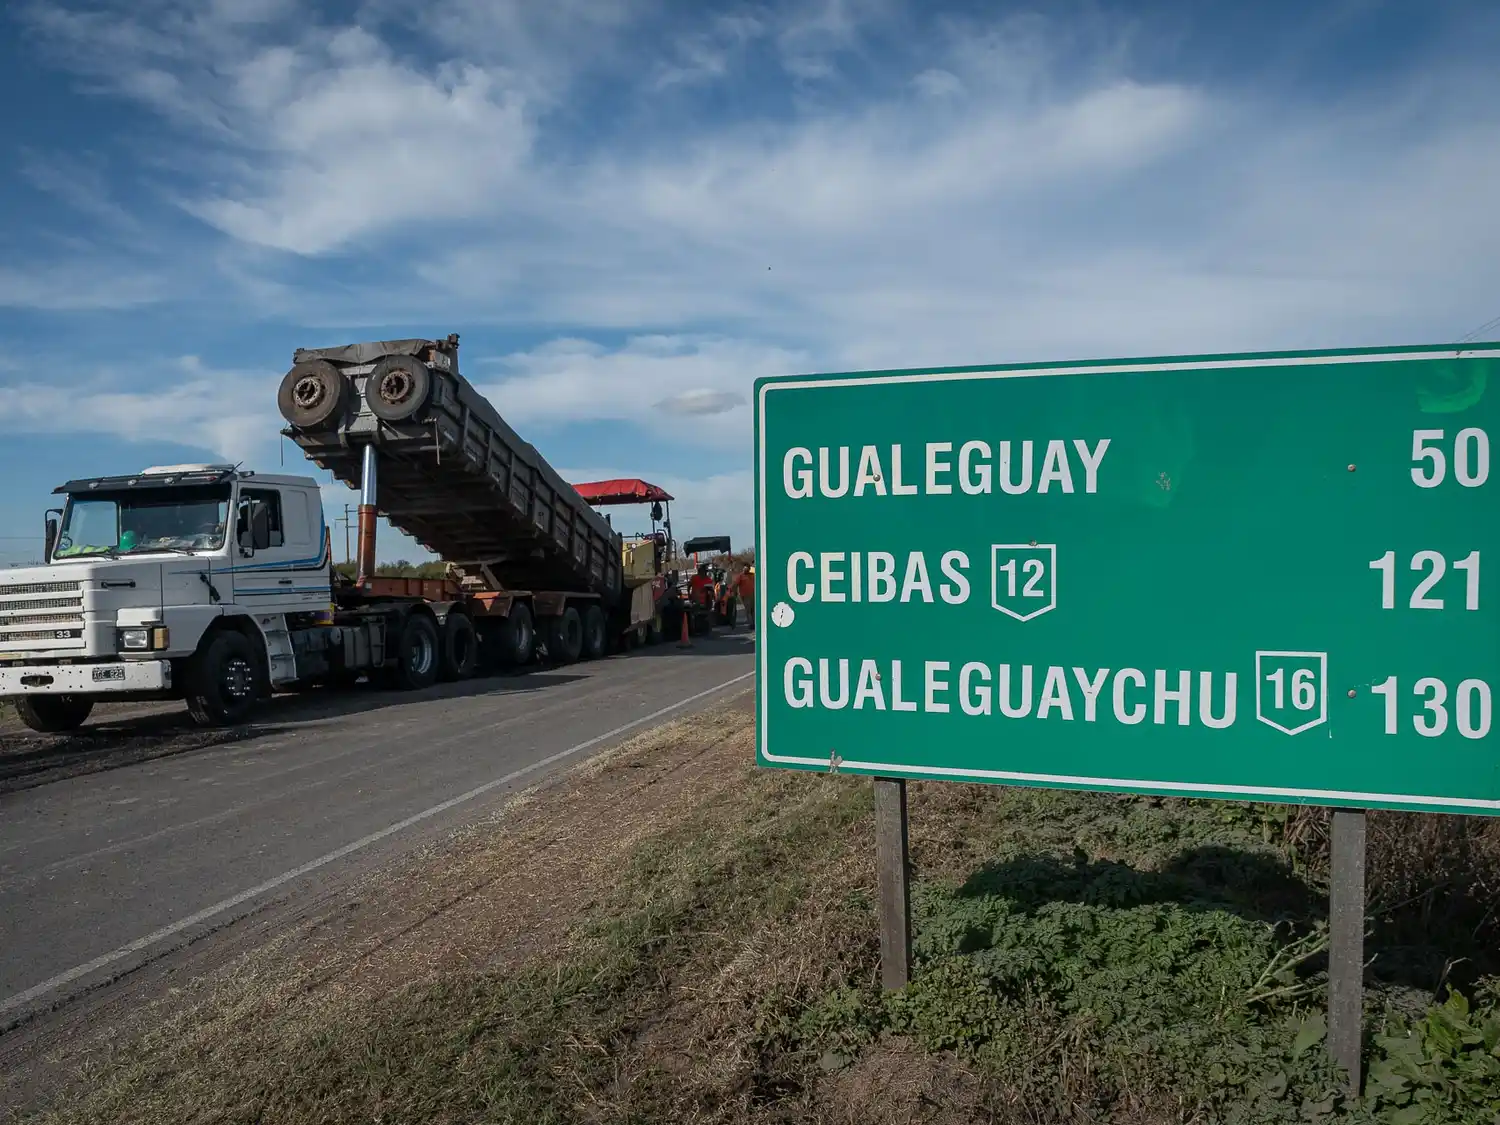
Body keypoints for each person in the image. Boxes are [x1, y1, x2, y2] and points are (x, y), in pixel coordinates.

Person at [736, 564, 755, 628]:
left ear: (749, 569)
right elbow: (736, 584)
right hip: (745, 595)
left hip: (753, 595)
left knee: (753, 610)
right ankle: (751, 624)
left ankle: (754, 623)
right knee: (748, 610)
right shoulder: (740, 576)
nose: (745, 570)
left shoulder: (752, 575)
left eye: (747, 569)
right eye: (744, 569)